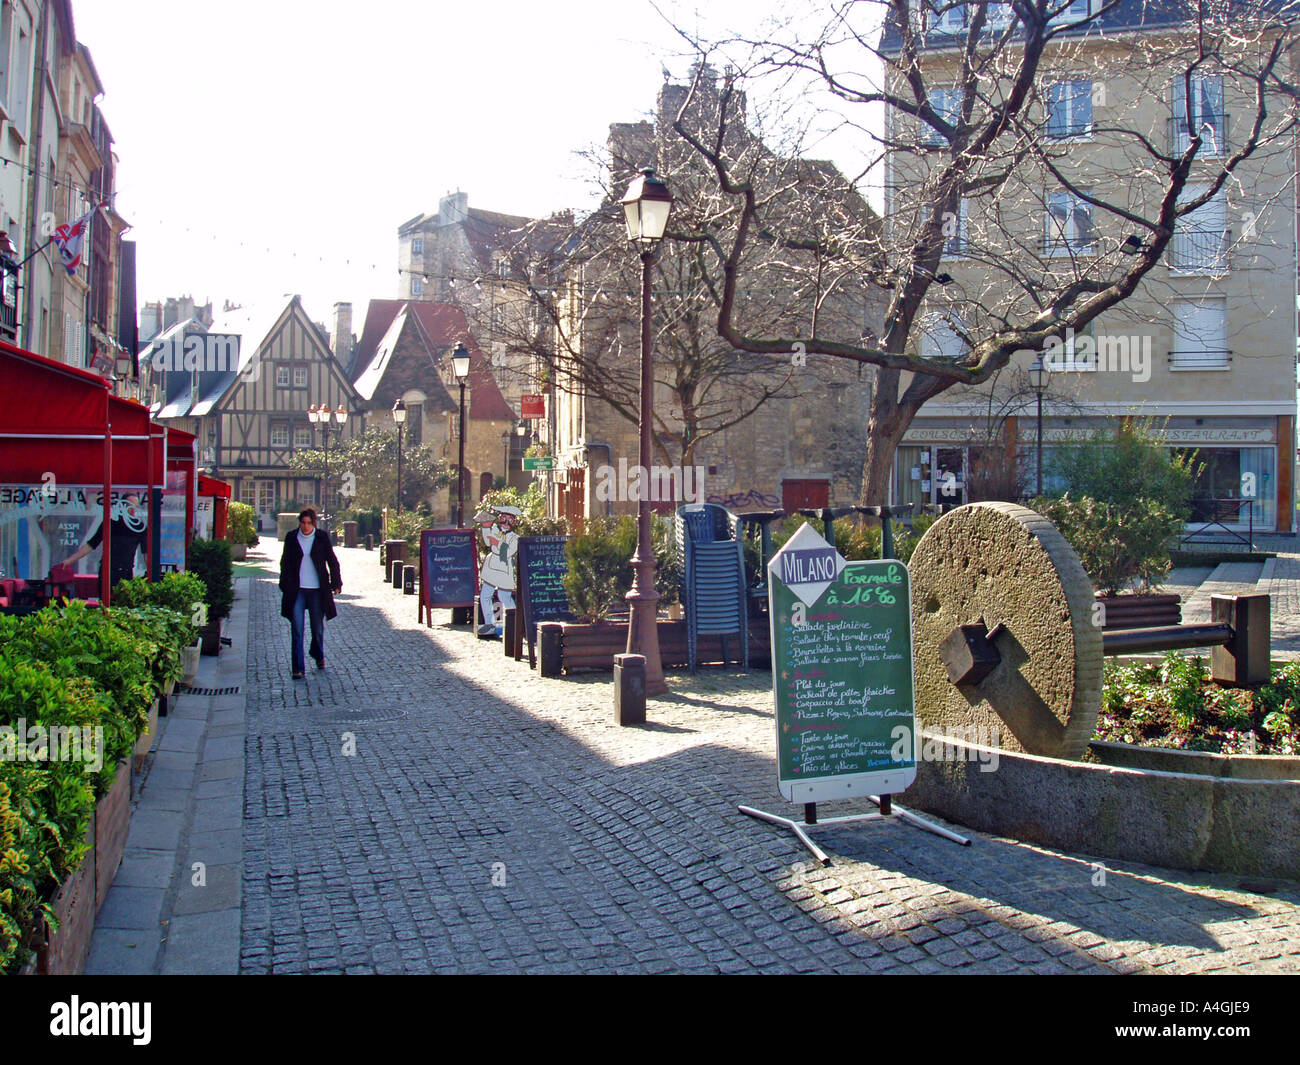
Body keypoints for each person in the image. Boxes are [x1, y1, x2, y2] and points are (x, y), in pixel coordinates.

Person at [279, 508, 342, 680]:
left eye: (309, 523)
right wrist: (284, 584)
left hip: (316, 590)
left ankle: (319, 655)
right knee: (297, 629)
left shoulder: (321, 537)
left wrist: (336, 583)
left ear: (314, 523)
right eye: (303, 523)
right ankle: (298, 668)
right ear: (299, 522)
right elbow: (284, 563)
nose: (305, 526)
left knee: (317, 628)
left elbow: (332, 561)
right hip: (297, 590)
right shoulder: (292, 538)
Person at [59, 491, 149, 586]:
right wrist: (70, 561)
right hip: (108, 571)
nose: (133, 510)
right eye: (130, 506)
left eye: (135, 506)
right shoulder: (112, 523)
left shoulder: (139, 527)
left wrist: (150, 573)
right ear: (122, 506)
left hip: (126, 572)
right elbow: (92, 544)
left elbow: (146, 552)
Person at [474, 505, 520, 637]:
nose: (506, 523)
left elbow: (508, 552)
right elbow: (488, 543)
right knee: (485, 595)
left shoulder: (514, 538)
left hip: (504, 568)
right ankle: (489, 623)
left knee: (504, 596)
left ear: (513, 522)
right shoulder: (494, 529)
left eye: (509, 520)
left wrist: (497, 543)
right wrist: (486, 526)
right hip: (491, 566)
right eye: (503, 518)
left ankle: (514, 623)